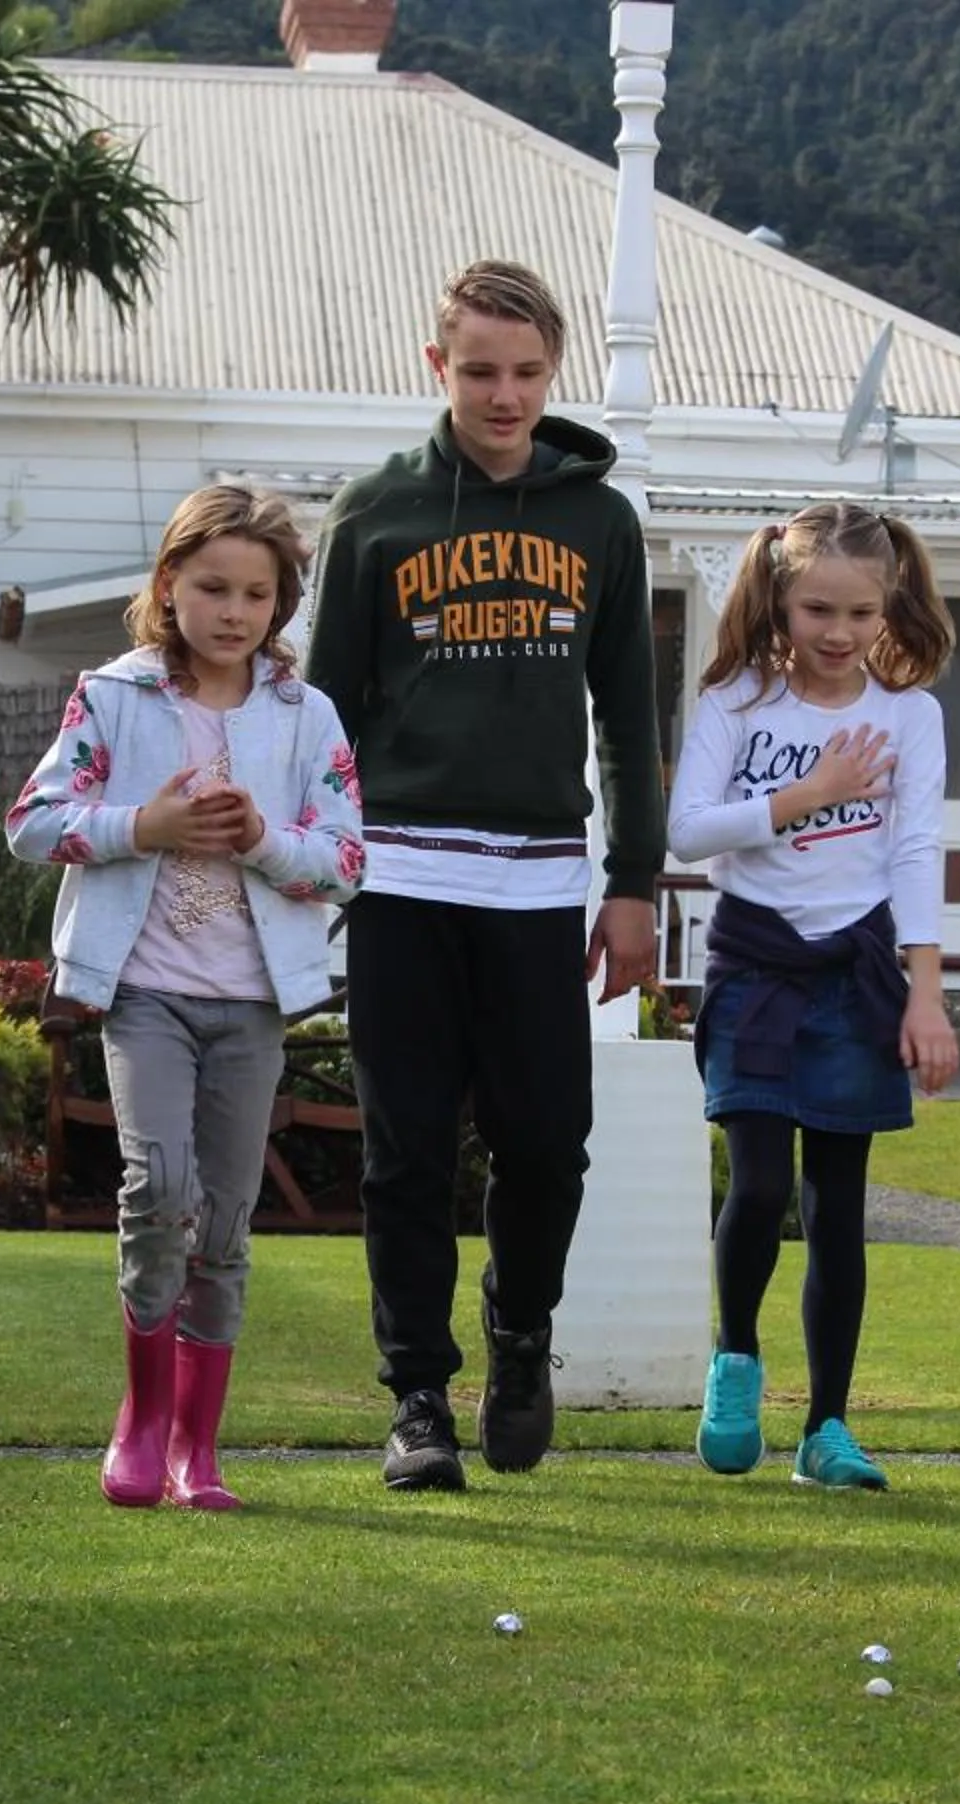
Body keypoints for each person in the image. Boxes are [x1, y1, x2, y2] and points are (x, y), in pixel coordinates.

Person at [305, 259, 665, 1492]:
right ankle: (416, 1396)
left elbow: (628, 716)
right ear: (436, 367)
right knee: (404, 1151)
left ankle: (521, 1339)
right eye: (477, 371)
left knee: (547, 1143)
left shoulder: (600, 521)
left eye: (524, 373)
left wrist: (635, 881)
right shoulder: (374, 513)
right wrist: (324, 872)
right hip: (401, 878)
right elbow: (327, 718)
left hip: (536, 886)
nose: (502, 396)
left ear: (551, 370)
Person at [6, 485, 365, 1510]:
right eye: (212, 586)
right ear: (168, 585)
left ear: (281, 602)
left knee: (227, 1221)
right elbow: (33, 822)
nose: (234, 610)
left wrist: (260, 839)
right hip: (145, 993)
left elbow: (344, 860)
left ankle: (197, 1452)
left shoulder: (308, 716)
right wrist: (143, 827)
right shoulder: (114, 697)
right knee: (158, 1189)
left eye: (258, 592)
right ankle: (142, 1418)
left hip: (252, 1002)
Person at [669, 502, 960, 1492]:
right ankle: (734, 1355)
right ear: (779, 601)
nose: (838, 633)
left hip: (858, 975)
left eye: (860, 612)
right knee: (755, 1186)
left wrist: (926, 994)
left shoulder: (910, 714)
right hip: (754, 967)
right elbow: (688, 829)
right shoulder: (736, 703)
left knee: (839, 1206)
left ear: (890, 607)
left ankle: (828, 1427)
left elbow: (917, 848)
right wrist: (810, 792)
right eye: (816, 609)